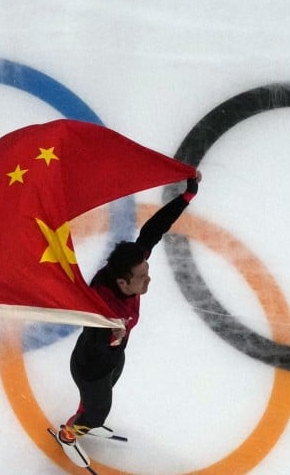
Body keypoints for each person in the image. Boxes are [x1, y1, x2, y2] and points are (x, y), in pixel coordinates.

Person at [56, 172, 201, 448]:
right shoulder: (101, 310)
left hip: (113, 358)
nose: (149, 279)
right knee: (98, 413)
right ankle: (69, 434)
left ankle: (84, 412)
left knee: (102, 393)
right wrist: (111, 339)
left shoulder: (128, 267)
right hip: (91, 368)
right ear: (123, 282)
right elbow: (95, 342)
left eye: (147, 271)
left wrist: (185, 197)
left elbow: (153, 229)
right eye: (142, 277)